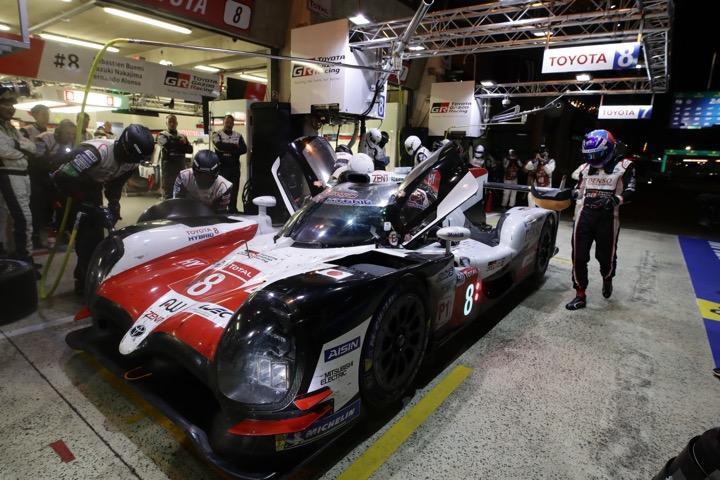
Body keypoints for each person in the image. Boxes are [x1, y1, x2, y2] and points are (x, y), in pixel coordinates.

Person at [52, 124, 154, 295]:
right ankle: (84, 284)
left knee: (97, 236)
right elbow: (61, 176)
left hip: (92, 187)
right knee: (87, 238)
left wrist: (114, 203)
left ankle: (88, 276)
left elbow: (116, 183)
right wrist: (87, 205)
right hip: (68, 186)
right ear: (124, 147)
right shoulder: (96, 153)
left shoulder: (131, 162)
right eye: (132, 158)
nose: (133, 163)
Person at [566, 129, 636, 310]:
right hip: (584, 216)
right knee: (578, 257)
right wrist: (573, 193)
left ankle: (607, 278)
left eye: (597, 154)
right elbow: (579, 189)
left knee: (605, 257)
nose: (594, 158)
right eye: (590, 155)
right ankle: (580, 294)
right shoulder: (585, 168)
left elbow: (631, 191)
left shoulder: (625, 165)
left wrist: (615, 200)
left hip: (608, 218)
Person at [0, 83, 37, 263]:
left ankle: (16, 256)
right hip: (8, 174)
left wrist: (18, 146)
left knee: (13, 219)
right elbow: (4, 151)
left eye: (12, 104)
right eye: (5, 103)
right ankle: (25, 258)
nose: (10, 108)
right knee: (23, 219)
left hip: (22, 175)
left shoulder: (11, 128)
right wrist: (24, 148)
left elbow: (33, 147)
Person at [34, 120, 76, 245]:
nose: (70, 137)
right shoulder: (44, 138)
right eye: (68, 133)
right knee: (42, 209)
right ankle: (38, 236)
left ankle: (60, 232)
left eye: (72, 134)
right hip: (39, 178)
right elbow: (38, 159)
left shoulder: (70, 143)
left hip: (56, 178)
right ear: (58, 131)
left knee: (62, 206)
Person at [212, 115, 247, 213]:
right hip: (222, 166)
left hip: (235, 167)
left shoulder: (238, 135)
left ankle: (232, 210)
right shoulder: (216, 134)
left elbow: (244, 149)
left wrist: (227, 149)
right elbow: (219, 146)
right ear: (224, 122)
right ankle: (220, 210)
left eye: (231, 122)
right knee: (221, 188)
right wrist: (234, 147)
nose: (229, 124)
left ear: (233, 124)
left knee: (234, 189)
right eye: (227, 122)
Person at [157, 114, 192, 200]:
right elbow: (168, 146)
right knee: (168, 194)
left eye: (174, 122)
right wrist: (182, 144)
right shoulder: (161, 135)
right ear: (166, 123)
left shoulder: (183, 136)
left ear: (177, 123)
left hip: (180, 168)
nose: (172, 124)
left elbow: (190, 150)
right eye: (170, 122)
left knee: (181, 192)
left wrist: (180, 144)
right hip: (168, 169)